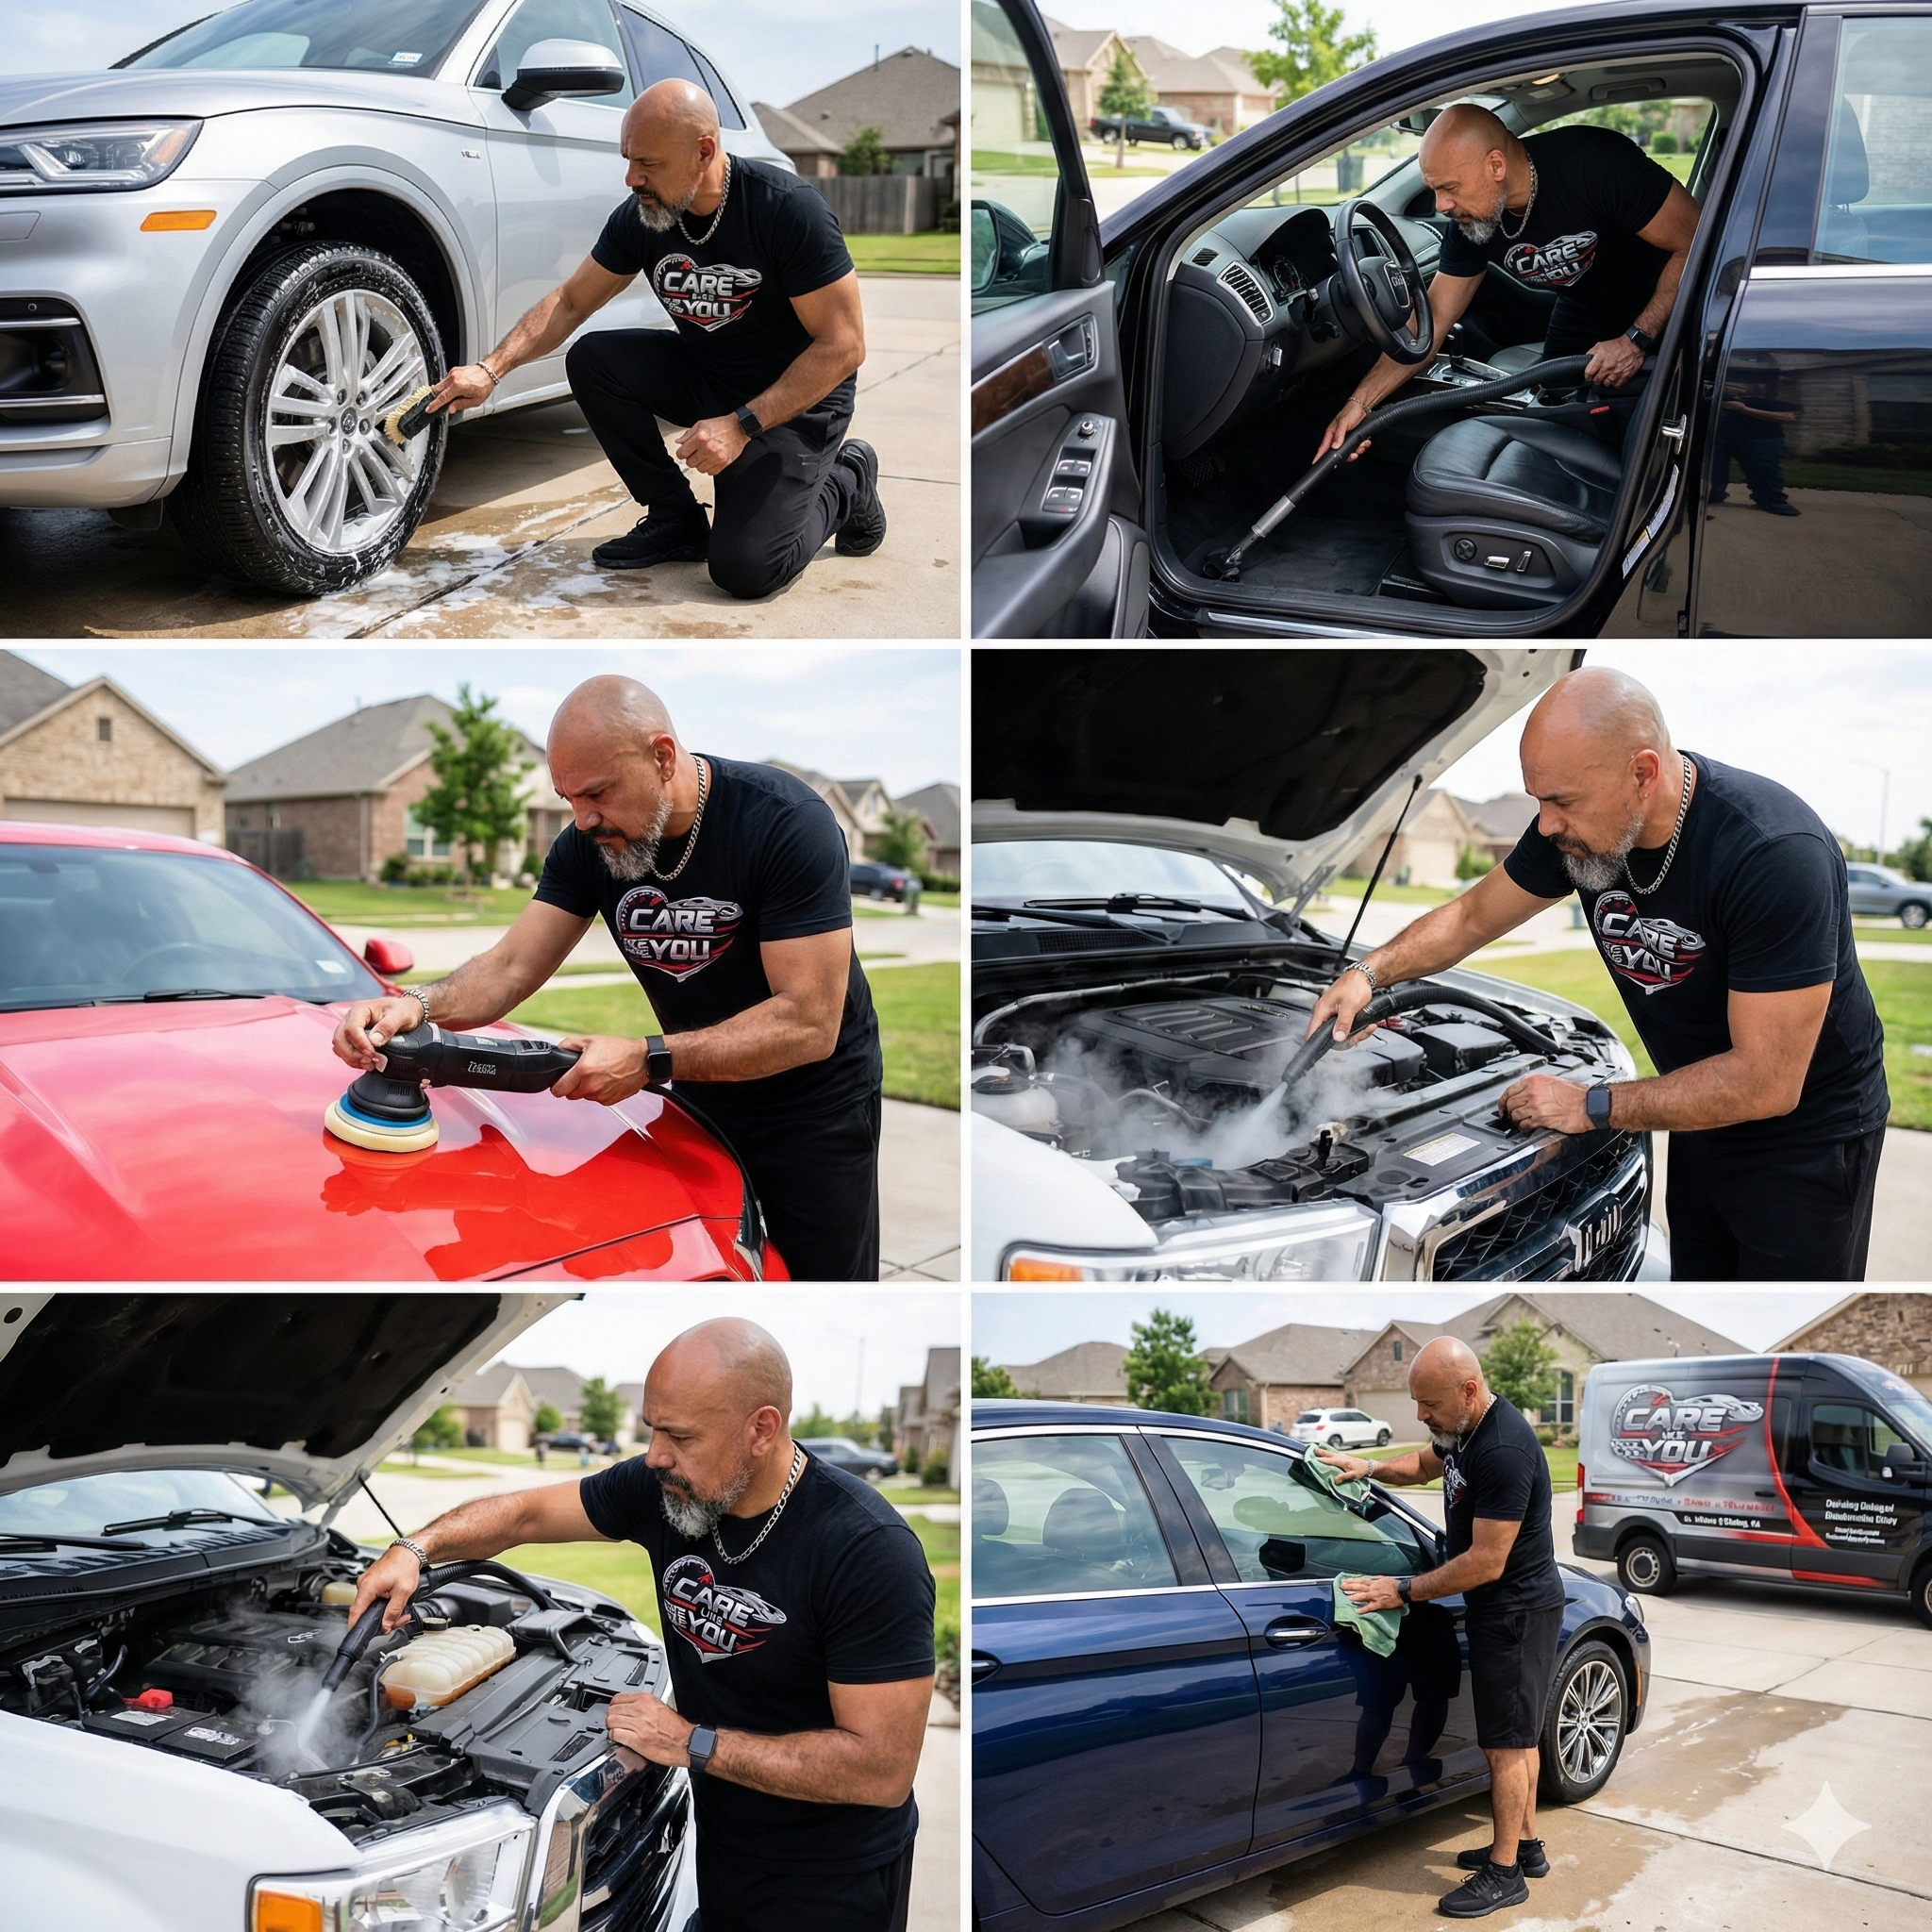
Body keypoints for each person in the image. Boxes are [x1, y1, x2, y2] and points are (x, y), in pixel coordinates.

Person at [347, 1319, 936, 1932]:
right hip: (722, 1845)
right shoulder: (665, 1487)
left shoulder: (867, 1550)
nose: (655, 1454)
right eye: (652, 1427)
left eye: (679, 1435)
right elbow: (521, 1516)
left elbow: (882, 1771)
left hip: (832, 1883)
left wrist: (692, 1742)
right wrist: (416, 1549)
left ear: (762, 1429)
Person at [1305, 666, 1890, 1279]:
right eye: (1538, 800)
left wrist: (1593, 1104)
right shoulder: (1582, 832)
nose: (1547, 823)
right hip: (1699, 1107)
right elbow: (1471, 917)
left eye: (1562, 801)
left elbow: (1766, 1082)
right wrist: (1368, 974)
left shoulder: (1772, 853)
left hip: (1810, 1141)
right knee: (1699, 1286)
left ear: (1643, 774)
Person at [331, 675, 886, 1280]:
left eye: (597, 793)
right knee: (703, 1269)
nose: (583, 818)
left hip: (816, 1108)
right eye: (568, 797)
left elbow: (809, 1020)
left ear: (663, 756)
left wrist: (646, 1060)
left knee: (821, 1283)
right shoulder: (588, 844)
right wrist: (415, 1003)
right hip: (697, 1084)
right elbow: (511, 965)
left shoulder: (784, 822)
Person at [417, 78, 883, 599]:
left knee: (746, 570)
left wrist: (740, 424)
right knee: (596, 358)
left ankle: (849, 478)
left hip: (793, 401)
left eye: (649, 164)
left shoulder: (787, 210)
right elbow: (571, 302)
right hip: (708, 373)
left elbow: (843, 346)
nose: (631, 178)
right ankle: (675, 519)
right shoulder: (645, 216)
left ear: (703, 151)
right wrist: (491, 369)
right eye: (628, 159)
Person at [1324, 1338, 1563, 1919]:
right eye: (1416, 1403)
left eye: (1428, 1403)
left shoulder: (1503, 1448)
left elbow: (1486, 1561)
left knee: (1505, 1746)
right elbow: (1427, 1464)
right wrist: (1371, 1468)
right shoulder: (1462, 1433)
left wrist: (1401, 1589)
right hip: (1504, 1608)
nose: (1420, 1415)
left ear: (1469, 1391)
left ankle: (1504, 1874)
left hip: (1514, 1611)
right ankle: (1524, 1846)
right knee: (1520, 1738)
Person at [1316, 103, 1701, 459]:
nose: (1440, 206)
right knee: (1556, 417)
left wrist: (1637, 338)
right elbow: (1428, 329)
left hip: (1668, 301)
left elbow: (1695, 242)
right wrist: (1360, 406)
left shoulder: (1595, 164)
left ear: (1496, 166)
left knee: (1654, 423)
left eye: (1449, 188)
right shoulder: (1469, 224)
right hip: (1584, 304)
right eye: (1434, 190)